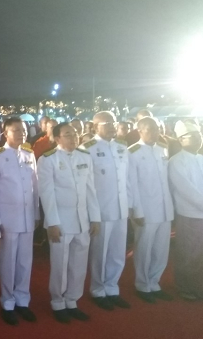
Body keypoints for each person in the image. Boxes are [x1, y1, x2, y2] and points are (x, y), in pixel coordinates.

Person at [37, 123, 101, 323]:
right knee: (60, 263)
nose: (73, 138)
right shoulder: (48, 160)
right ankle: (58, 302)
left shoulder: (85, 157)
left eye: (75, 134)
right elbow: (46, 194)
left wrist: (95, 217)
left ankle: (72, 300)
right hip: (61, 221)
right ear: (57, 139)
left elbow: (91, 190)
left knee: (79, 263)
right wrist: (53, 223)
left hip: (82, 220)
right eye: (67, 135)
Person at [0, 117, 38, 325]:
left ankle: (22, 300)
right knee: (7, 263)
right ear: (5, 133)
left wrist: (36, 214)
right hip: (7, 220)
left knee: (25, 262)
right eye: (15, 130)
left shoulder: (29, 154)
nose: (21, 133)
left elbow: (35, 186)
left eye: (23, 130)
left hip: (27, 218)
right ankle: (7, 302)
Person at [80, 112, 131, 310]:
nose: (112, 126)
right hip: (101, 209)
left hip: (121, 208)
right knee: (100, 252)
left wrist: (131, 205)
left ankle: (112, 287)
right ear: (95, 127)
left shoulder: (121, 147)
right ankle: (98, 289)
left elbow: (125, 180)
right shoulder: (87, 149)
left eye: (114, 123)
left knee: (118, 252)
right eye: (107, 123)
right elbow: (87, 186)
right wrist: (92, 214)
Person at [128, 117, 174, 303]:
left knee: (161, 249)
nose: (154, 132)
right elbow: (132, 184)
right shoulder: (133, 152)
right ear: (140, 130)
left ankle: (154, 282)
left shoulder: (162, 148)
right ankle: (142, 284)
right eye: (150, 129)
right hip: (146, 209)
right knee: (144, 248)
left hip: (164, 208)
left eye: (156, 128)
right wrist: (137, 211)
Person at [168, 120, 203, 300]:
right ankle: (185, 287)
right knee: (188, 253)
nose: (199, 138)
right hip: (189, 214)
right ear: (181, 140)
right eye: (194, 136)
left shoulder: (200, 158)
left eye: (199, 134)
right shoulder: (176, 162)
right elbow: (186, 190)